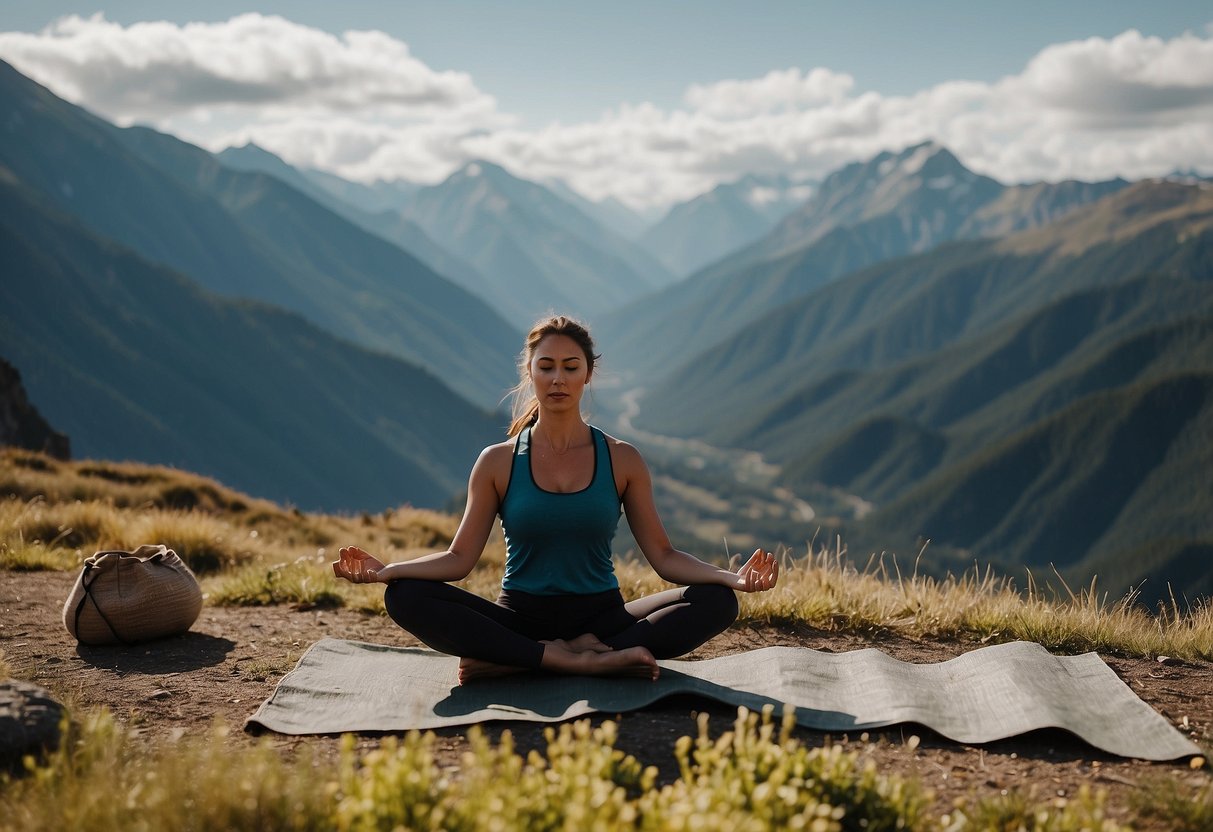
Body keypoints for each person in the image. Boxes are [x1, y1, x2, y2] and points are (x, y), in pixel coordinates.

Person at [332, 315, 779, 683]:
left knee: (718, 602)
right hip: (521, 616)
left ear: (588, 373)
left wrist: (732, 578)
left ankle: (523, 658)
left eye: (570, 366)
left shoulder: (622, 459)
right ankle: (575, 659)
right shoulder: (498, 462)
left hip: (604, 619)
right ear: (530, 372)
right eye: (546, 367)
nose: (558, 378)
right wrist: (387, 571)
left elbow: (662, 555)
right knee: (405, 596)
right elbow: (458, 558)